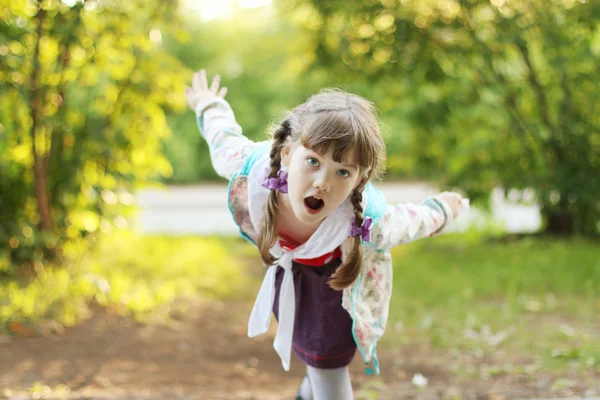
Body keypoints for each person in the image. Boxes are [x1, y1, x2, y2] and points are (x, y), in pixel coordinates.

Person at [185, 70, 468, 399]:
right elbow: (224, 140)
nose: (323, 182)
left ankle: (315, 389)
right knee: (314, 358)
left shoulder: (364, 219)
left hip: (334, 287)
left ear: (359, 179)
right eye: (313, 161)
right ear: (289, 154)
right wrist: (209, 104)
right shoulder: (256, 169)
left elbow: (405, 222)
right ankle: (309, 392)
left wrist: (442, 209)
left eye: (343, 171)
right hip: (290, 276)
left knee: (327, 371)